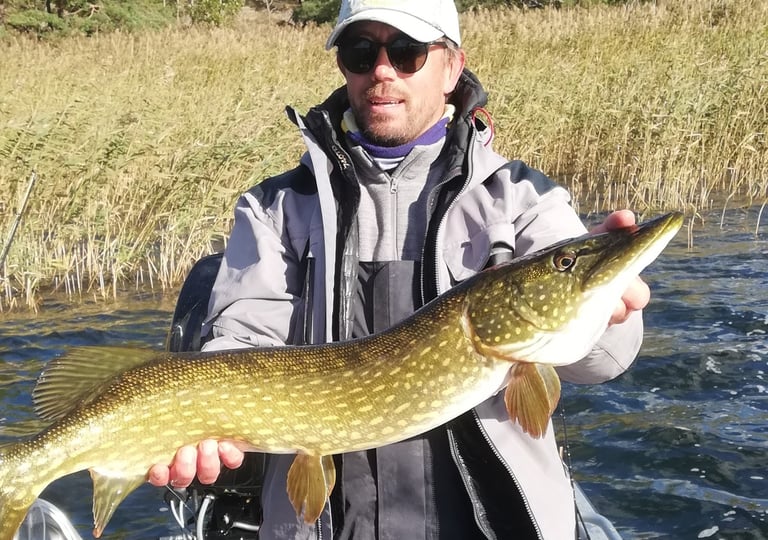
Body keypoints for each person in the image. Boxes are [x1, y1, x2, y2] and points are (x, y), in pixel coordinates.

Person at [149, 0, 650, 538]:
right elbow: (239, 343)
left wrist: (604, 307)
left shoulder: (522, 198)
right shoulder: (275, 208)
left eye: (408, 52)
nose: (382, 71)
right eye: (361, 52)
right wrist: (204, 427)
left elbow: (605, 362)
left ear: (452, 68)